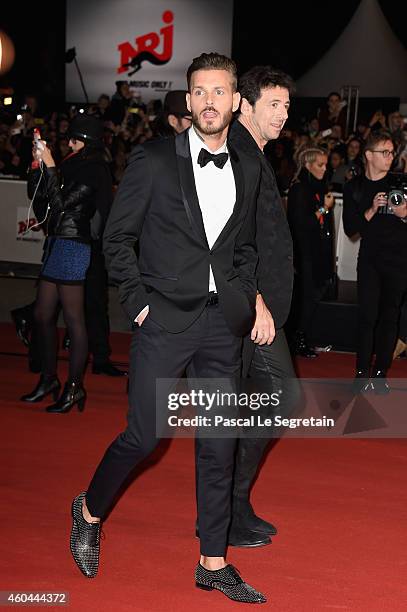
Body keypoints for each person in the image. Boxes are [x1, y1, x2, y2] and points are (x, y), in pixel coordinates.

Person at [69, 53, 266, 604]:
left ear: (235, 102)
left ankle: (213, 560)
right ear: (189, 98)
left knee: (219, 443)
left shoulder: (248, 167)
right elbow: (117, 238)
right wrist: (137, 305)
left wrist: (244, 300)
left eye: (218, 92)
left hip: (221, 324)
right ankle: (88, 509)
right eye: (198, 91)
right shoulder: (154, 159)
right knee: (146, 436)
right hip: (163, 322)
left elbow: (244, 247)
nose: (208, 101)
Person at [225, 65, 300, 548]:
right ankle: (227, 510)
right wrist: (255, 303)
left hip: (264, 307)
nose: (283, 114)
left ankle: (232, 507)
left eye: (287, 105)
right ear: (245, 106)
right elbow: (228, 241)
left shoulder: (254, 154)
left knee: (252, 405)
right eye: (274, 104)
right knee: (277, 399)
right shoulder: (236, 156)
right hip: (251, 309)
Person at [20, 115, 112, 412]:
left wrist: (49, 166)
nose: (67, 143)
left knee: (74, 320)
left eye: (73, 138)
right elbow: (40, 201)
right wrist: (37, 166)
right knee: (42, 313)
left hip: (74, 245)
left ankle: (74, 386)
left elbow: (61, 206)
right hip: (57, 243)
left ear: (85, 140)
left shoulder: (95, 169)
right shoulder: (72, 164)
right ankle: (49, 379)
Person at [343, 130, 407, 393]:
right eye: (385, 152)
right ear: (369, 155)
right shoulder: (354, 187)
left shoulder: (402, 183)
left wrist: (403, 214)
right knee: (367, 316)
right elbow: (350, 229)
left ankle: (380, 372)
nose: (390, 157)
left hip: (399, 261)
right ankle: (361, 372)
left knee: (389, 318)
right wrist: (370, 210)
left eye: (392, 152)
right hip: (369, 260)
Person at [287, 146, 335, 357]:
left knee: (315, 295)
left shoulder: (320, 187)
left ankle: (302, 337)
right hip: (304, 253)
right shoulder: (300, 189)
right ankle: (298, 339)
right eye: (320, 165)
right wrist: (323, 209)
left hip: (318, 252)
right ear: (308, 165)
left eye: (326, 165)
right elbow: (300, 223)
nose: (324, 169)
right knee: (306, 297)